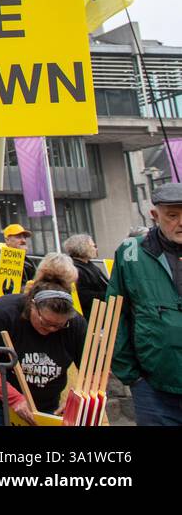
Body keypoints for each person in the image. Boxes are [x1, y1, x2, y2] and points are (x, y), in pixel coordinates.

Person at [0, 258, 87, 426]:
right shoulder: (1, 314)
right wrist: (14, 399)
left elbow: (93, 371)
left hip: (45, 401)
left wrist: (76, 401)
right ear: (33, 306)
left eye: (59, 325)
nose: (52, 329)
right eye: (46, 322)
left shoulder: (75, 324)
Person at [108, 182, 182, 426]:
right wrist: (132, 376)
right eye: (172, 216)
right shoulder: (131, 255)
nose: (181, 222)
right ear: (154, 215)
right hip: (153, 390)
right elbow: (114, 317)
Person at [0, 223, 37, 291]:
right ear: (7, 240)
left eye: (24, 237)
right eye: (18, 237)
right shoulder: (6, 257)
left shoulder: (27, 260)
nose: (24, 240)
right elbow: (10, 290)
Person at [63, 233, 108, 307]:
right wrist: (108, 295)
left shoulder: (89, 265)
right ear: (83, 248)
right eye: (94, 246)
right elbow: (83, 296)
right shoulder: (74, 269)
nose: (96, 249)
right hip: (92, 313)